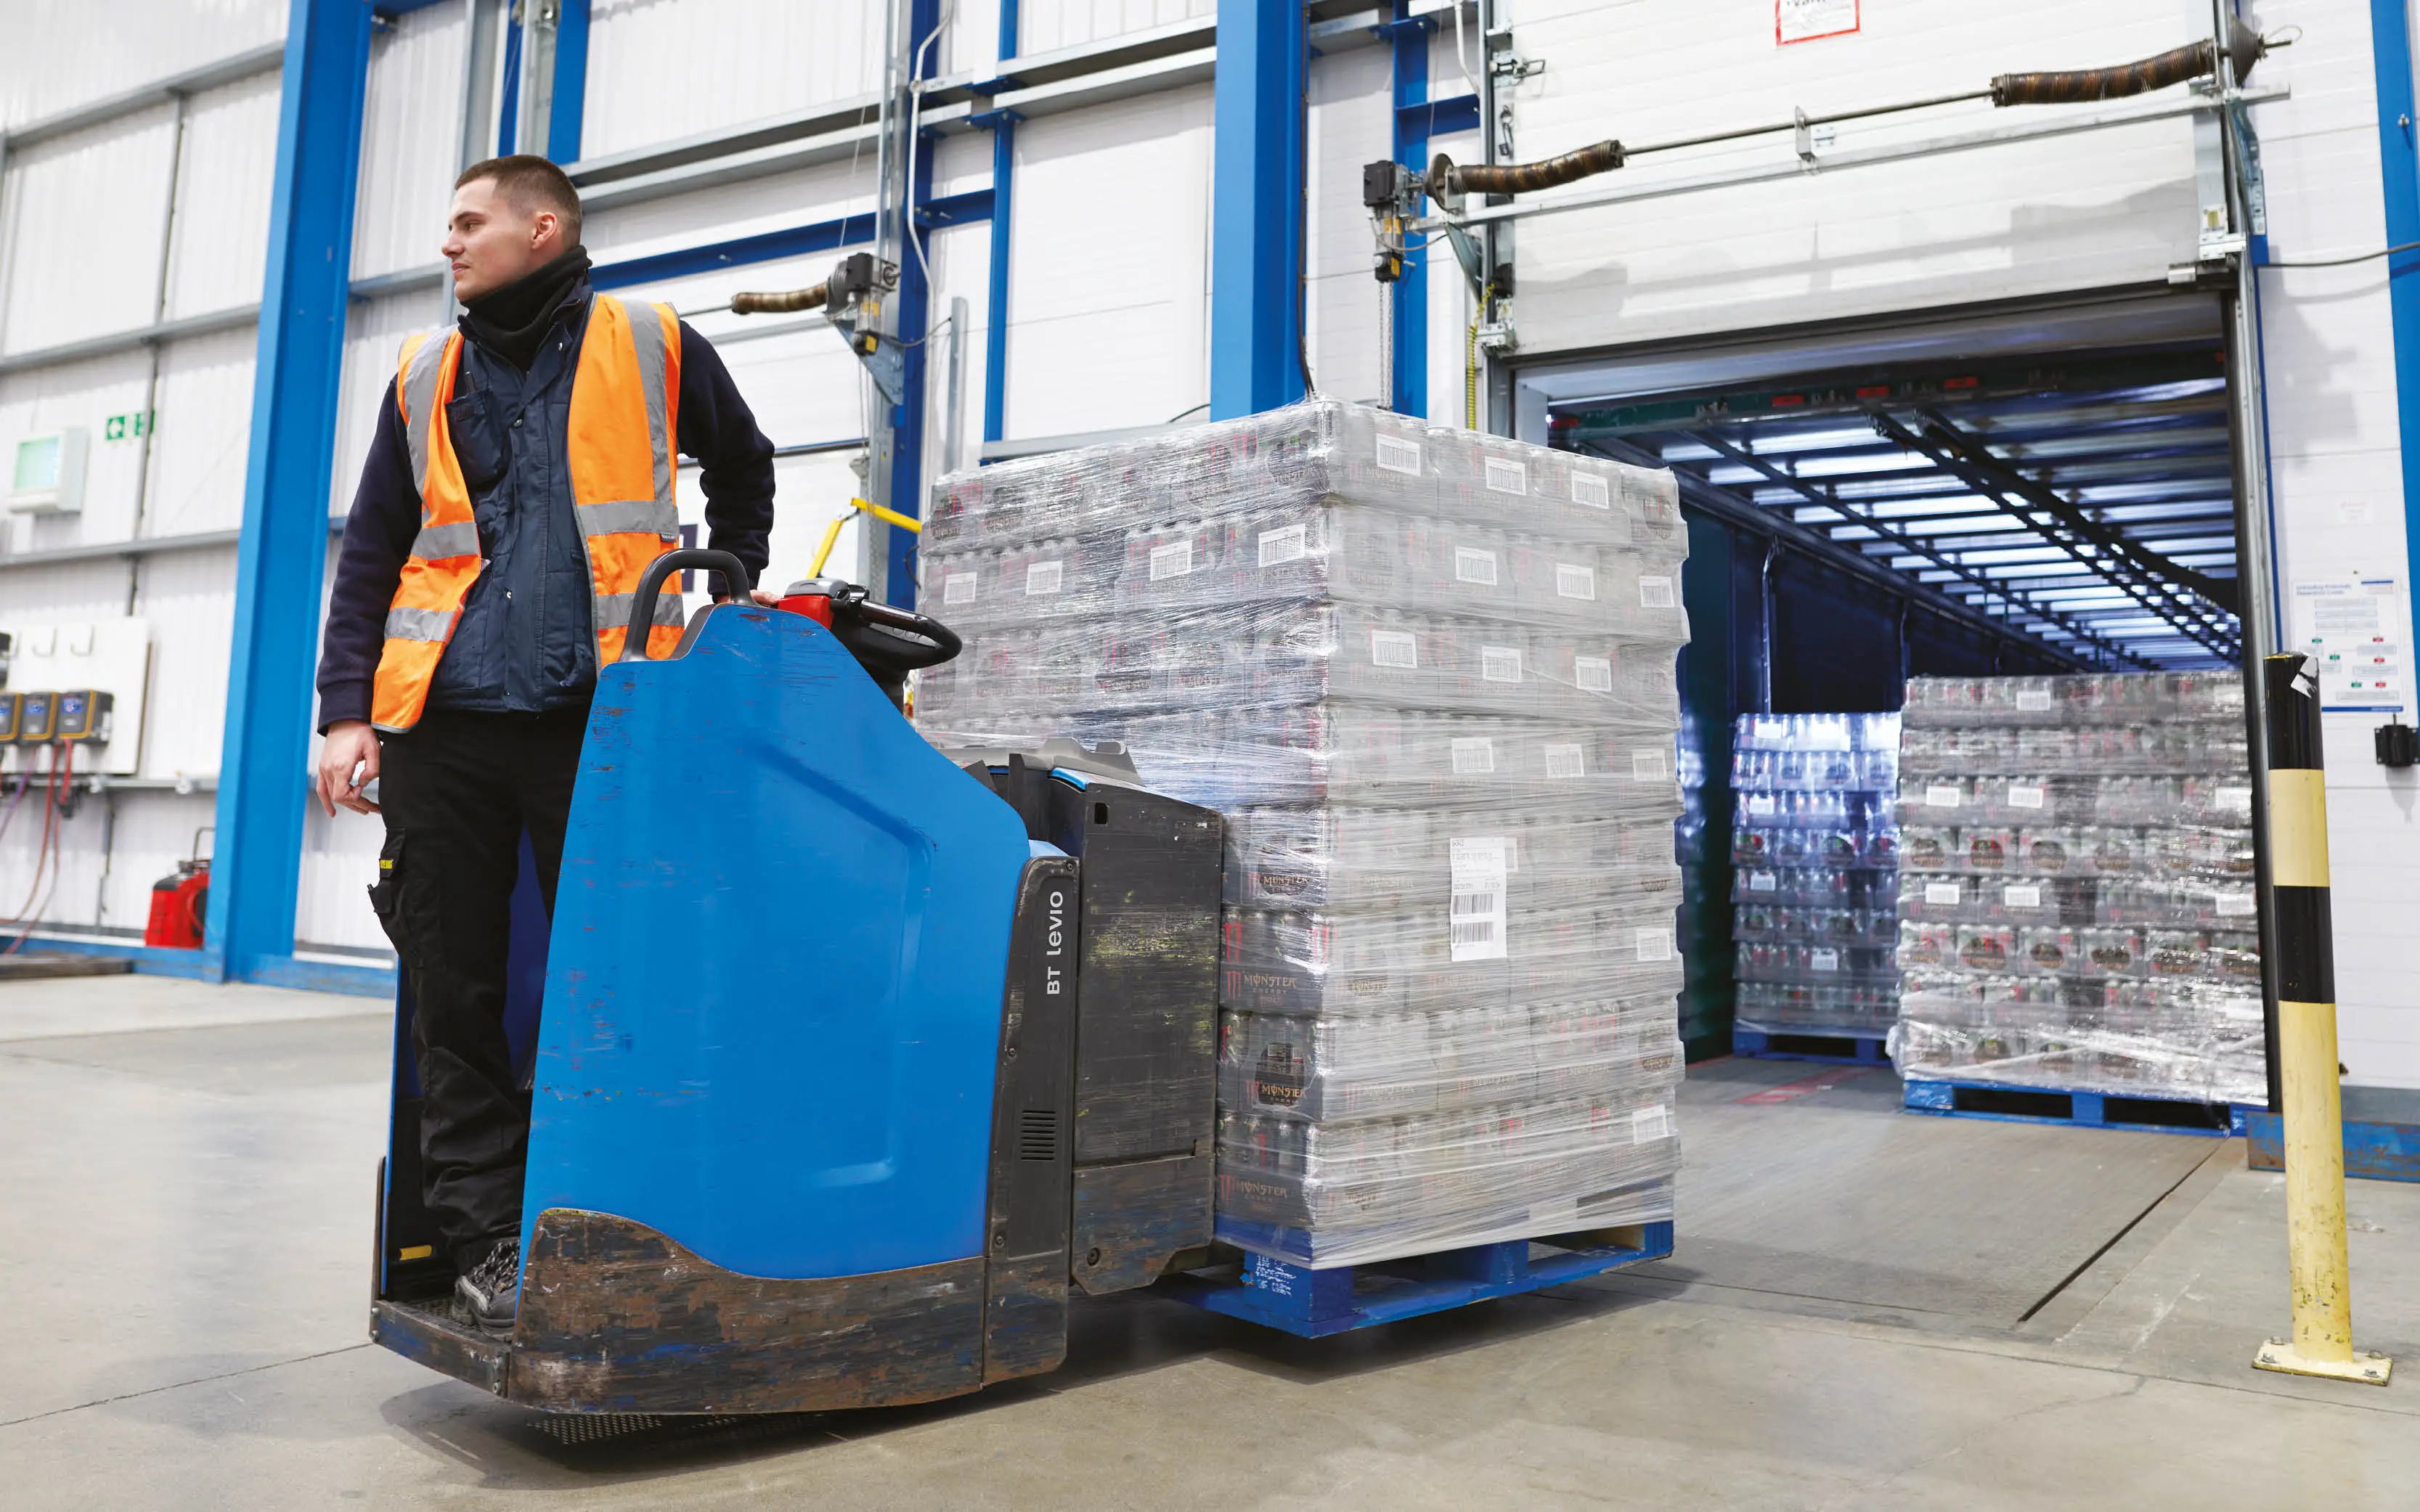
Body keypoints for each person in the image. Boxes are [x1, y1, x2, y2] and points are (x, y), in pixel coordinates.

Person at [311, 155, 777, 1334]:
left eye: (469, 222)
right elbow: (374, 548)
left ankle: (615, 1218)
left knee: (618, 981)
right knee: (453, 993)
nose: (451, 244)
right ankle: (486, 1242)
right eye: (449, 224)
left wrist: (730, 593)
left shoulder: (651, 338)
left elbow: (747, 462)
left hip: (607, 715)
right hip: (445, 728)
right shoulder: (423, 374)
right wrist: (343, 712)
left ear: (544, 225)